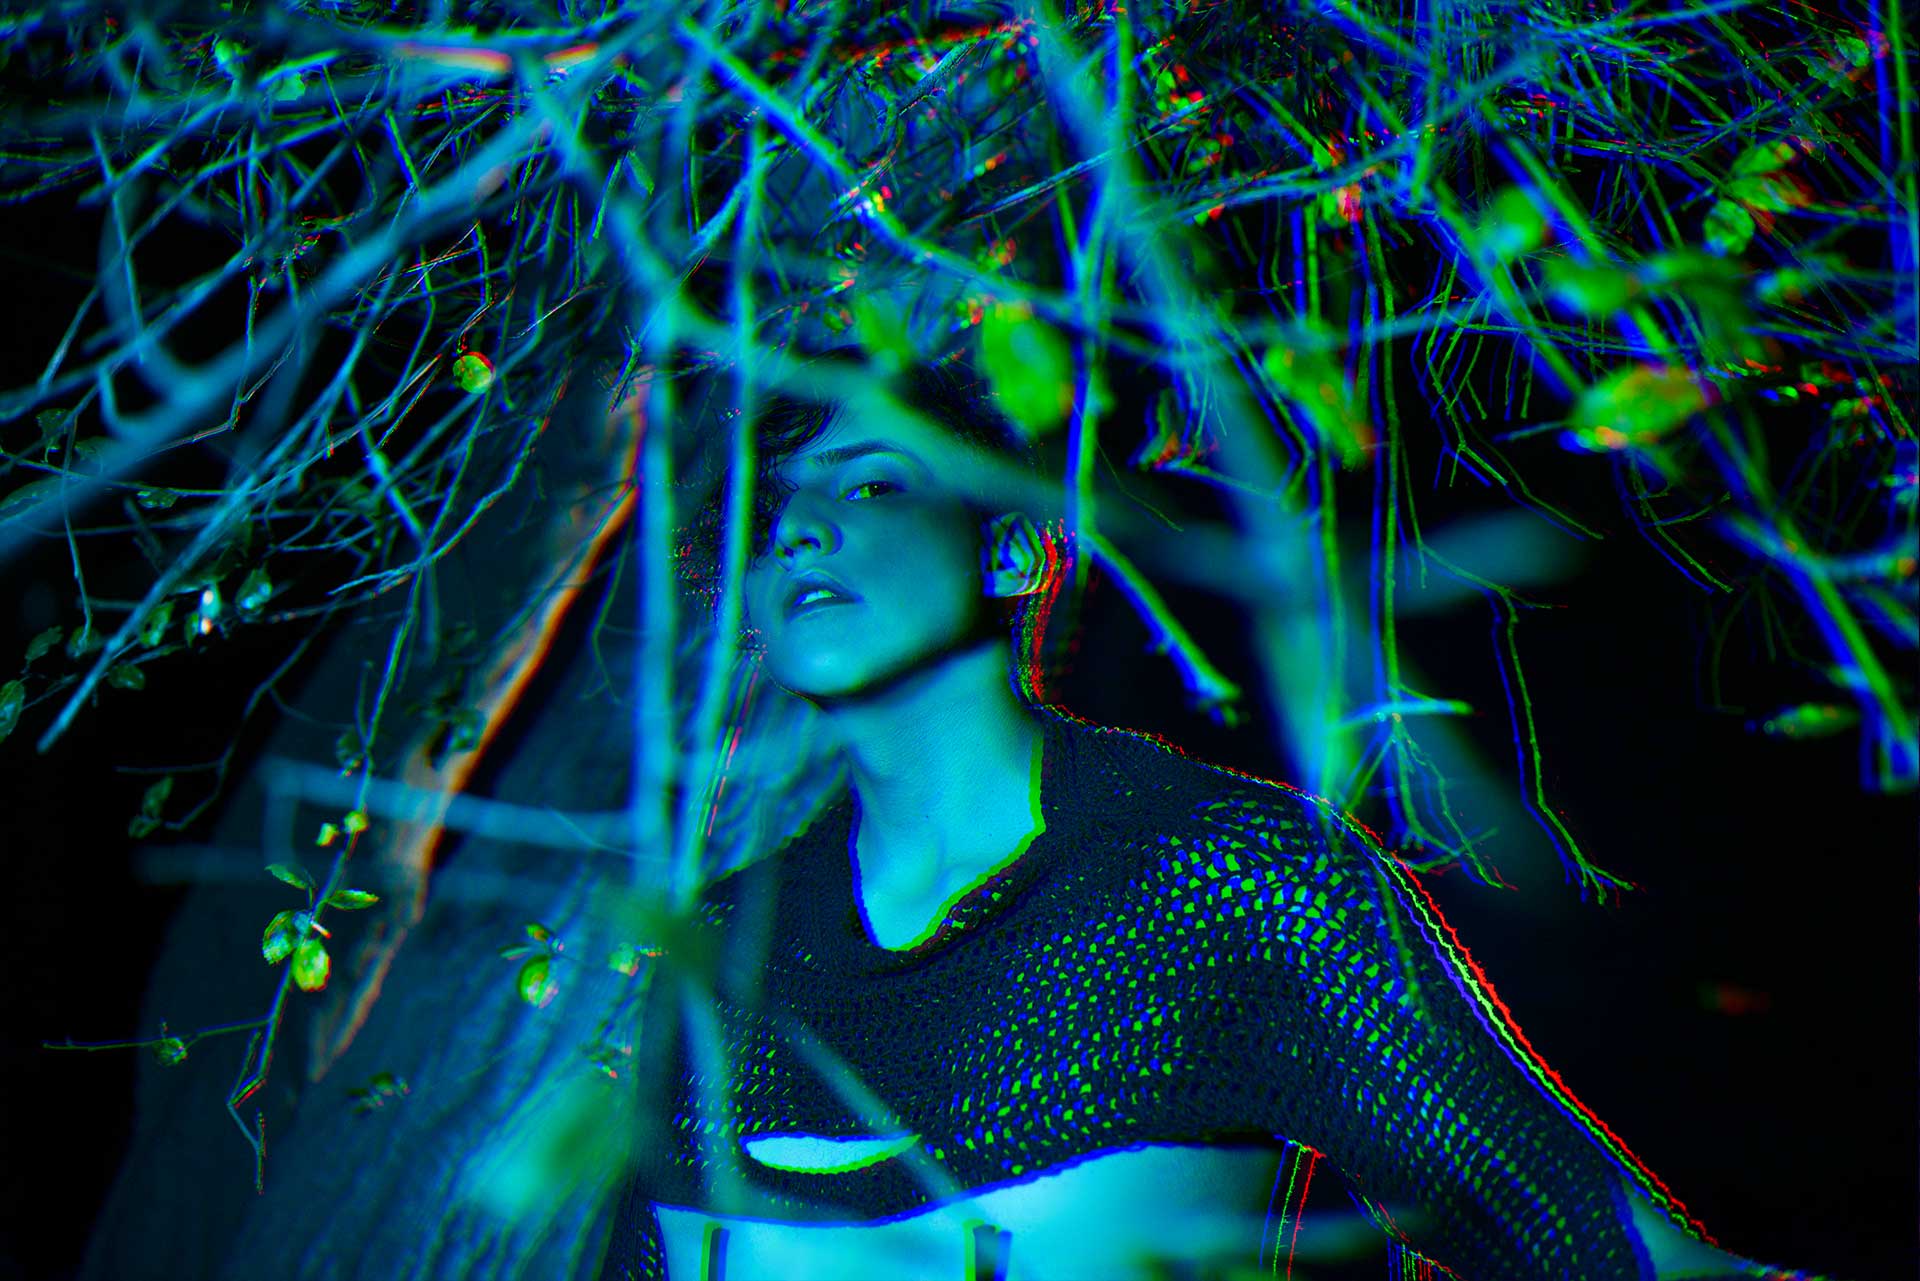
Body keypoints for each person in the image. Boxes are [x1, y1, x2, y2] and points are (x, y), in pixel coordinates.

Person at [598, 354, 1818, 1281]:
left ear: (1012, 550)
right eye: (771, 509)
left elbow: (1582, 1234)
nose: (801, 528)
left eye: (873, 482)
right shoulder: (721, 953)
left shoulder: (1220, 881)